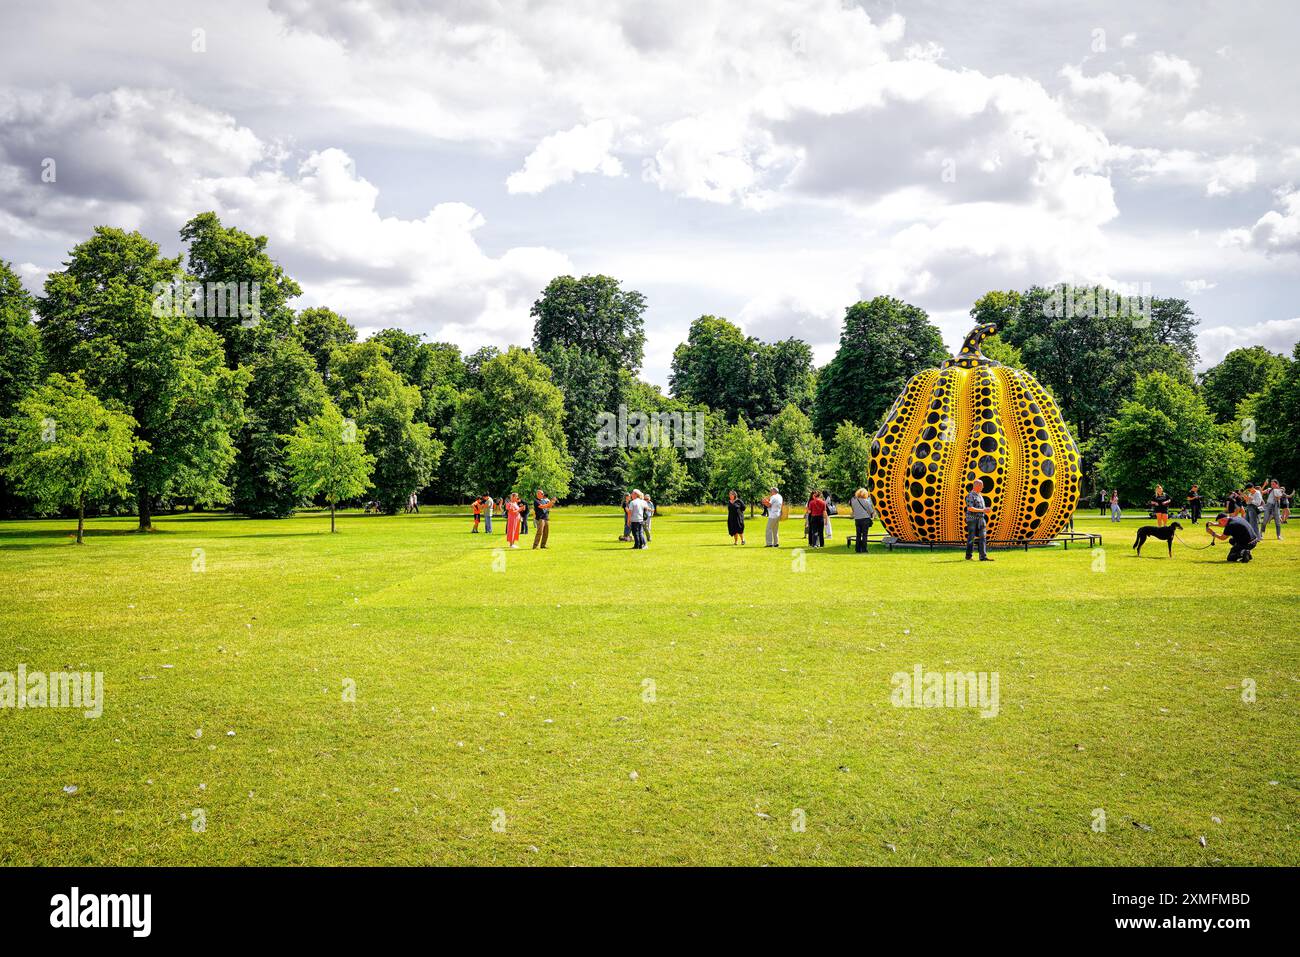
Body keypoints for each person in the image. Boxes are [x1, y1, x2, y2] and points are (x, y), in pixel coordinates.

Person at [965, 478, 993, 561]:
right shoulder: (970, 495)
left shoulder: (980, 495)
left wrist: (985, 509)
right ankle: (968, 556)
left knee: (983, 537)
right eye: (981, 485)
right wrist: (983, 510)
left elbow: (980, 508)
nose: (983, 487)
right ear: (976, 485)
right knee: (971, 537)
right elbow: (970, 508)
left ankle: (983, 556)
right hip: (972, 519)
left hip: (981, 519)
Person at [851, 487, 874, 553]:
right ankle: (864, 549)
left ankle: (857, 549)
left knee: (858, 535)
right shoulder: (866, 501)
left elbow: (853, 510)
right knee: (864, 535)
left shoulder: (854, 501)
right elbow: (871, 511)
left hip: (857, 520)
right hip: (865, 519)